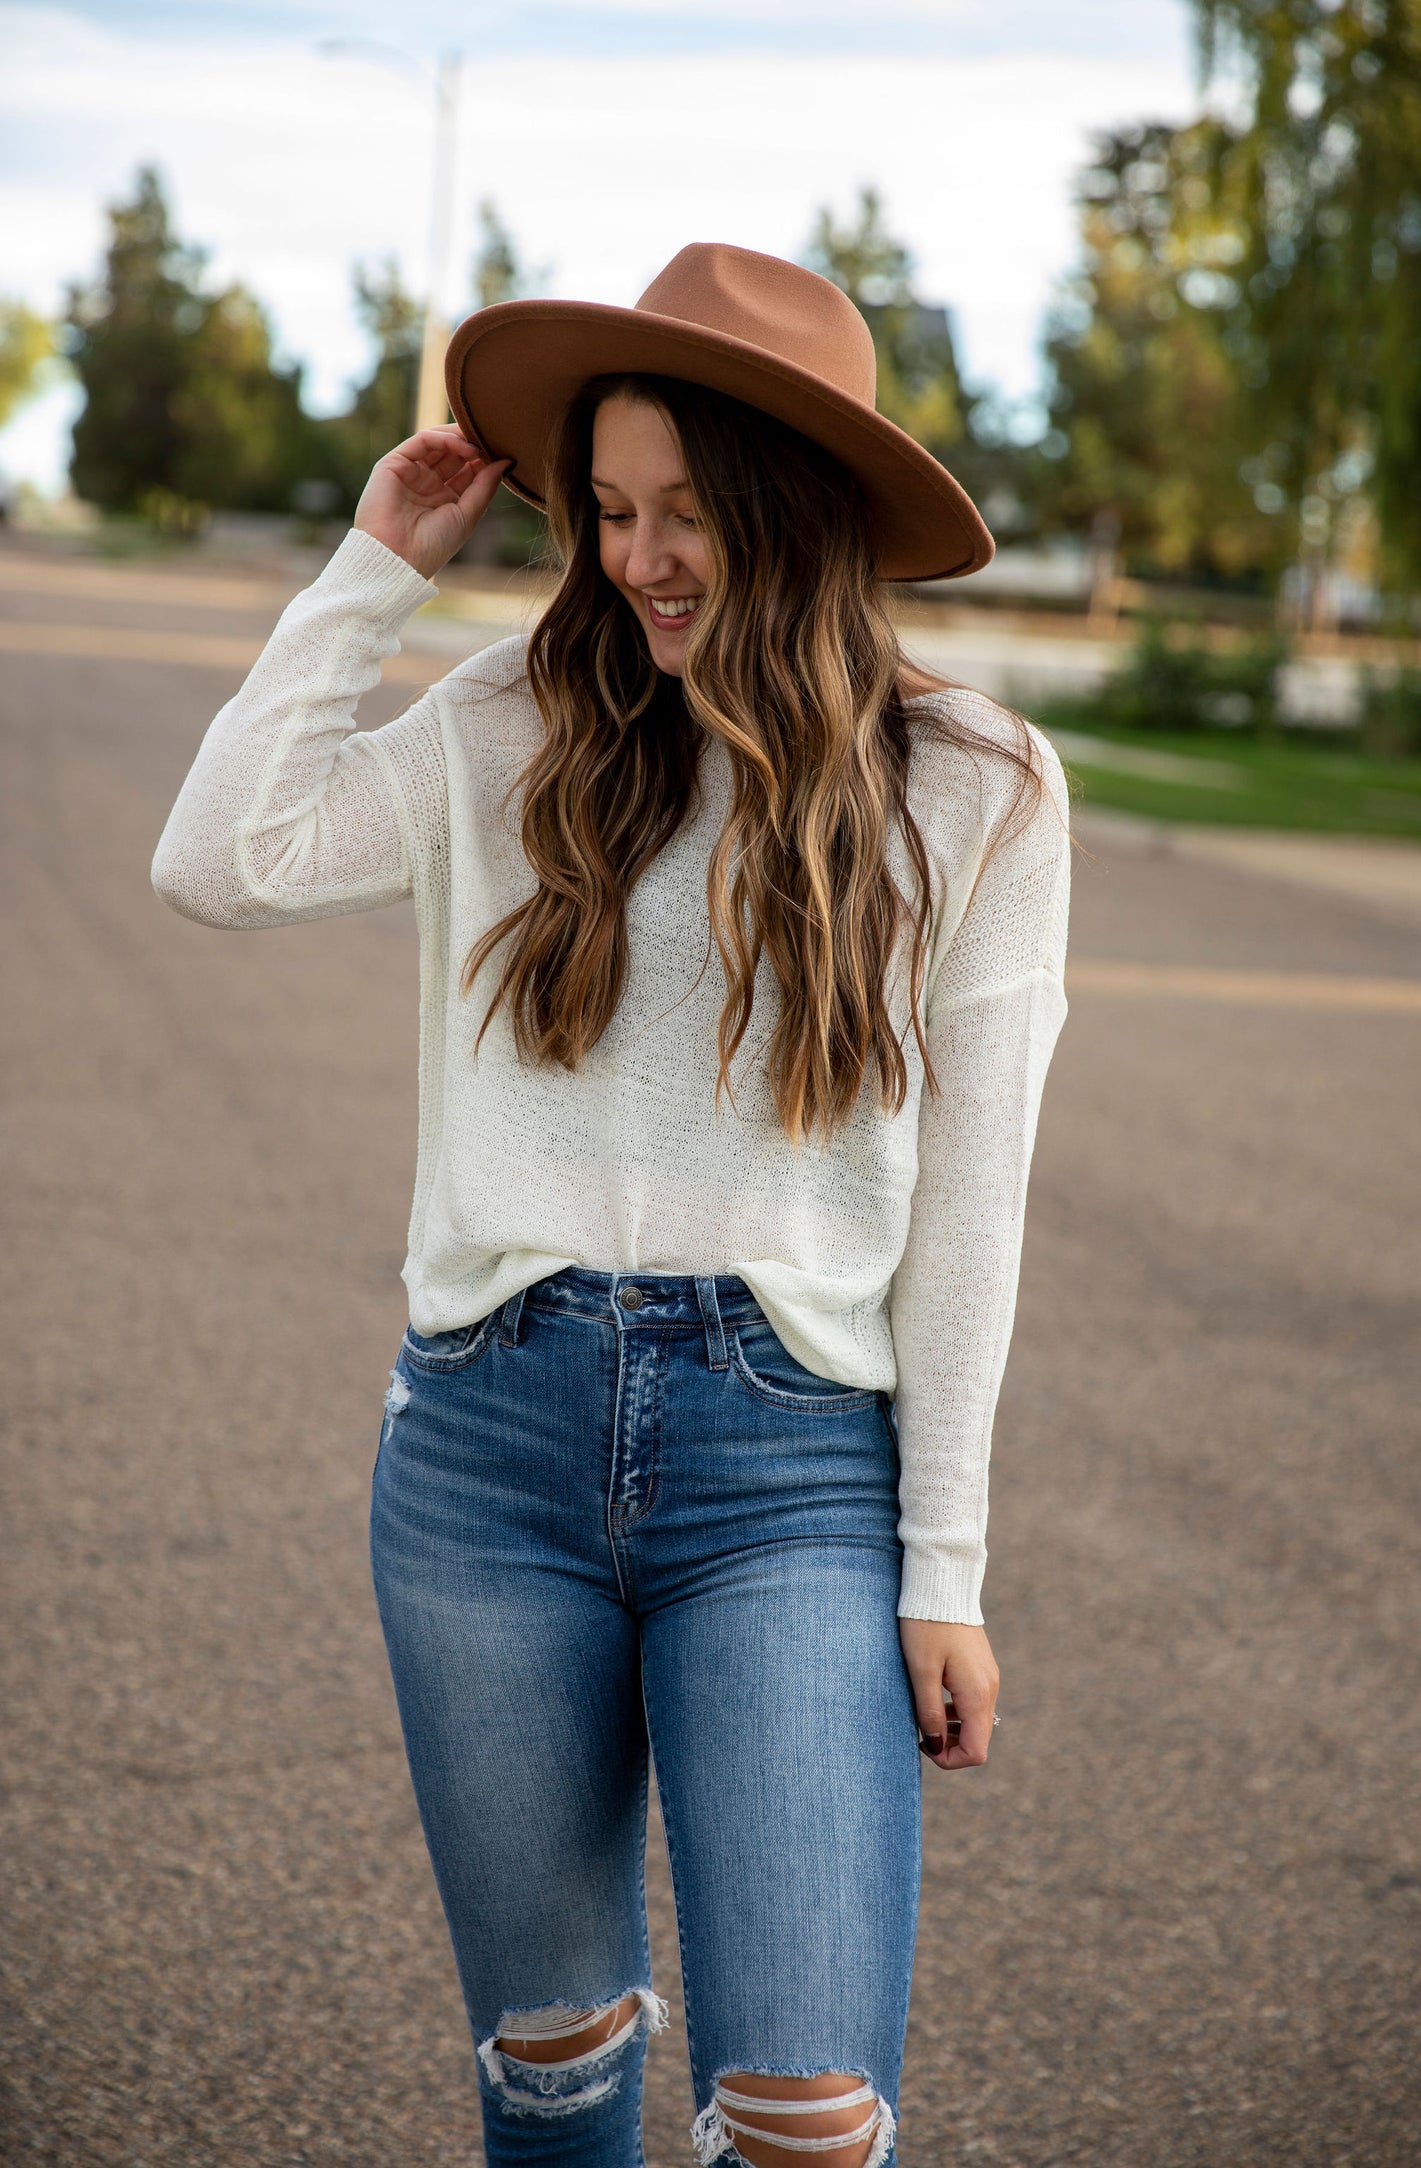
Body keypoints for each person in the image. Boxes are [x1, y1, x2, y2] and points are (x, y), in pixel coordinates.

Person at [151, 243, 1071, 2168]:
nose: (641, 559)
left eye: (688, 518)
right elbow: (217, 861)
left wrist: (946, 1571)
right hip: (486, 1449)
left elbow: (974, 1204)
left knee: (803, 2113)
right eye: (613, 512)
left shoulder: (972, 782)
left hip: (794, 1472)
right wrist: (378, 560)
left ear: (795, 518)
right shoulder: (510, 723)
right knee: (554, 2070)